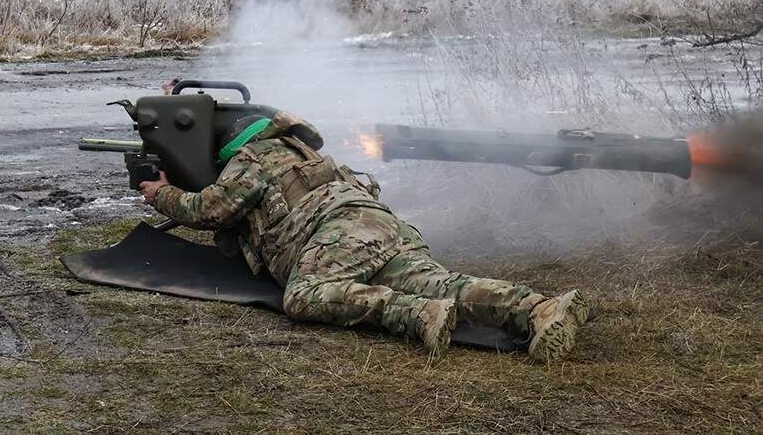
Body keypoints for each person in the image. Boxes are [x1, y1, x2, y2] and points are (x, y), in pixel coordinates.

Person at [138, 111, 589, 361]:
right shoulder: (313, 157)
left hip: (337, 232)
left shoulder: (253, 159)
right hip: (381, 225)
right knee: (442, 282)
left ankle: (418, 315)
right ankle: (538, 308)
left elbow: (208, 210)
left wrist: (159, 192)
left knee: (305, 294)